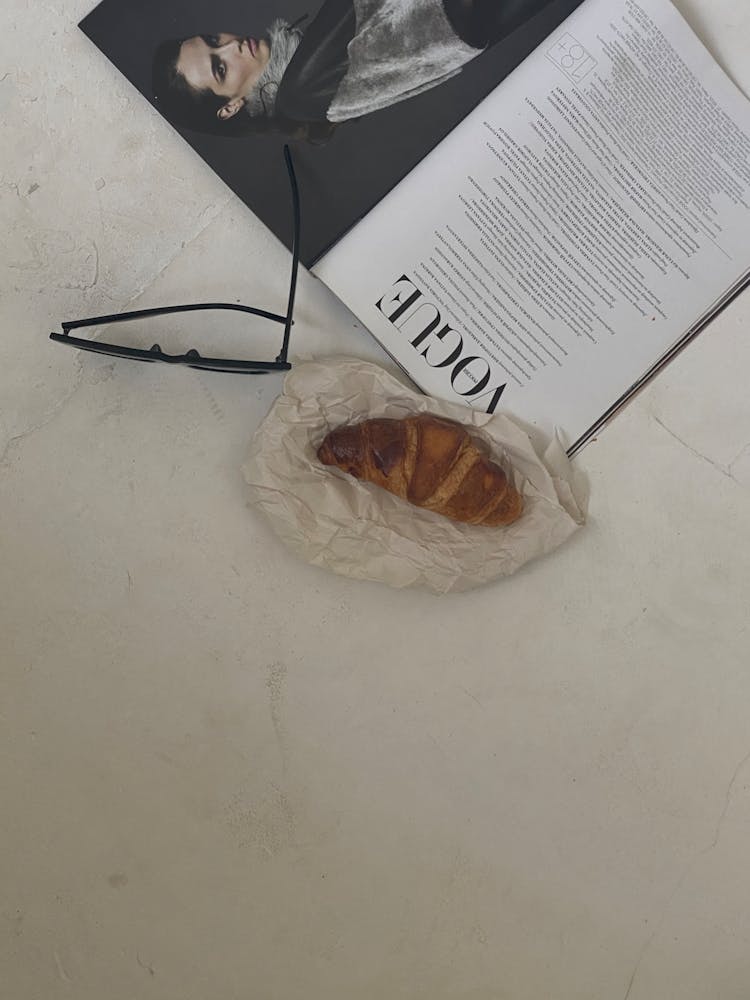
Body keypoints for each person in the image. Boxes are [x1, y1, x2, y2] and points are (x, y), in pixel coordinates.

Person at [152, 0, 556, 140]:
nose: (232, 44)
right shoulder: (300, 92)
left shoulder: (304, 81)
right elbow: (429, 32)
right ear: (231, 106)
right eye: (220, 66)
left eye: (212, 39)